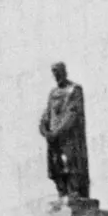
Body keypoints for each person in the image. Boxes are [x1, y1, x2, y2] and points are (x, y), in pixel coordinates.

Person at [39, 64, 90, 201]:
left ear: (65, 72)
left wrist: (57, 132)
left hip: (69, 138)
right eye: (54, 73)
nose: (57, 76)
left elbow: (72, 114)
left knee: (70, 165)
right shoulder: (53, 93)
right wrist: (45, 130)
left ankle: (74, 192)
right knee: (56, 167)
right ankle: (62, 194)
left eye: (59, 73)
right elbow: (46, 115)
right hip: (54, 140)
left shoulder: (74, 90)